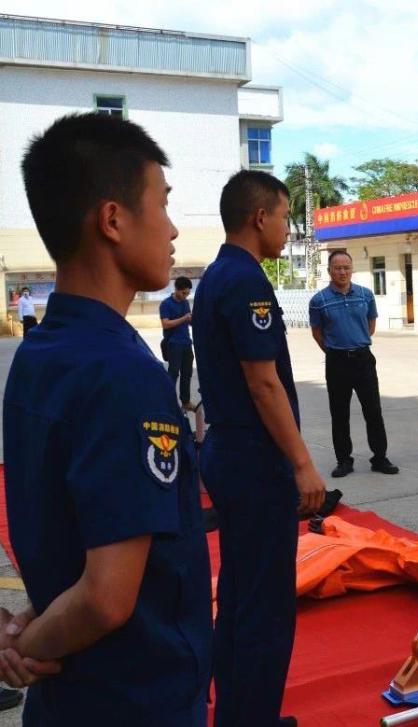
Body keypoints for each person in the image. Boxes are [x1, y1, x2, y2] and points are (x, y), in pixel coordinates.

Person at [3, 112, 211, 722]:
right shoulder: (121, 373)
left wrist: (28, 632)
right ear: (113, 220)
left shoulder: (39, 353)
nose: (172, 230)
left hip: (68, 700)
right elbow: (106, 598)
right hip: (136, 694)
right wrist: (23, 651)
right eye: (163, 204)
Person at [193, 170, 326, 726]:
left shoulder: (215, 277)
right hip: (254, 461)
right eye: (286, 215)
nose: (288, 227)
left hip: (229, 451)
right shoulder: (246, 281)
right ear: (259, 218)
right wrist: (302, 464)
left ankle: (240, 714)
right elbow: (263, 381)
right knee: (265, 605)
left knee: (242, 596)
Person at [309, 250, 398, 478]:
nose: (342, 272)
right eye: (337, 268)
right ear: (329, 271)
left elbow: (370, 326)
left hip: (363, 360)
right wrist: (335, 351)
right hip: (337, 362)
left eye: (346, 267)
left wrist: (356, 344)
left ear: (352, 269)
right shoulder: (319, 301)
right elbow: (317, 333)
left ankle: (379, 458)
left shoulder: (366, 295)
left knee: (373, 411)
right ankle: (343, 461)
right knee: (339, 414)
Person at [160, 276, 195, 409]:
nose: (185, 296)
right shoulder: (166, 304)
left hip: (186, 342)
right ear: (176, 289)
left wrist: (193, 319)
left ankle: (185, 402)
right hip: (174, 343)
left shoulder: (185, 303)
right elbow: (166, 324)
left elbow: (188, 320)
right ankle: (168, 402)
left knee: (187, 373)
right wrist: (184, 318)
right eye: (183, 293)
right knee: (173, 373)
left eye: (187, 293)